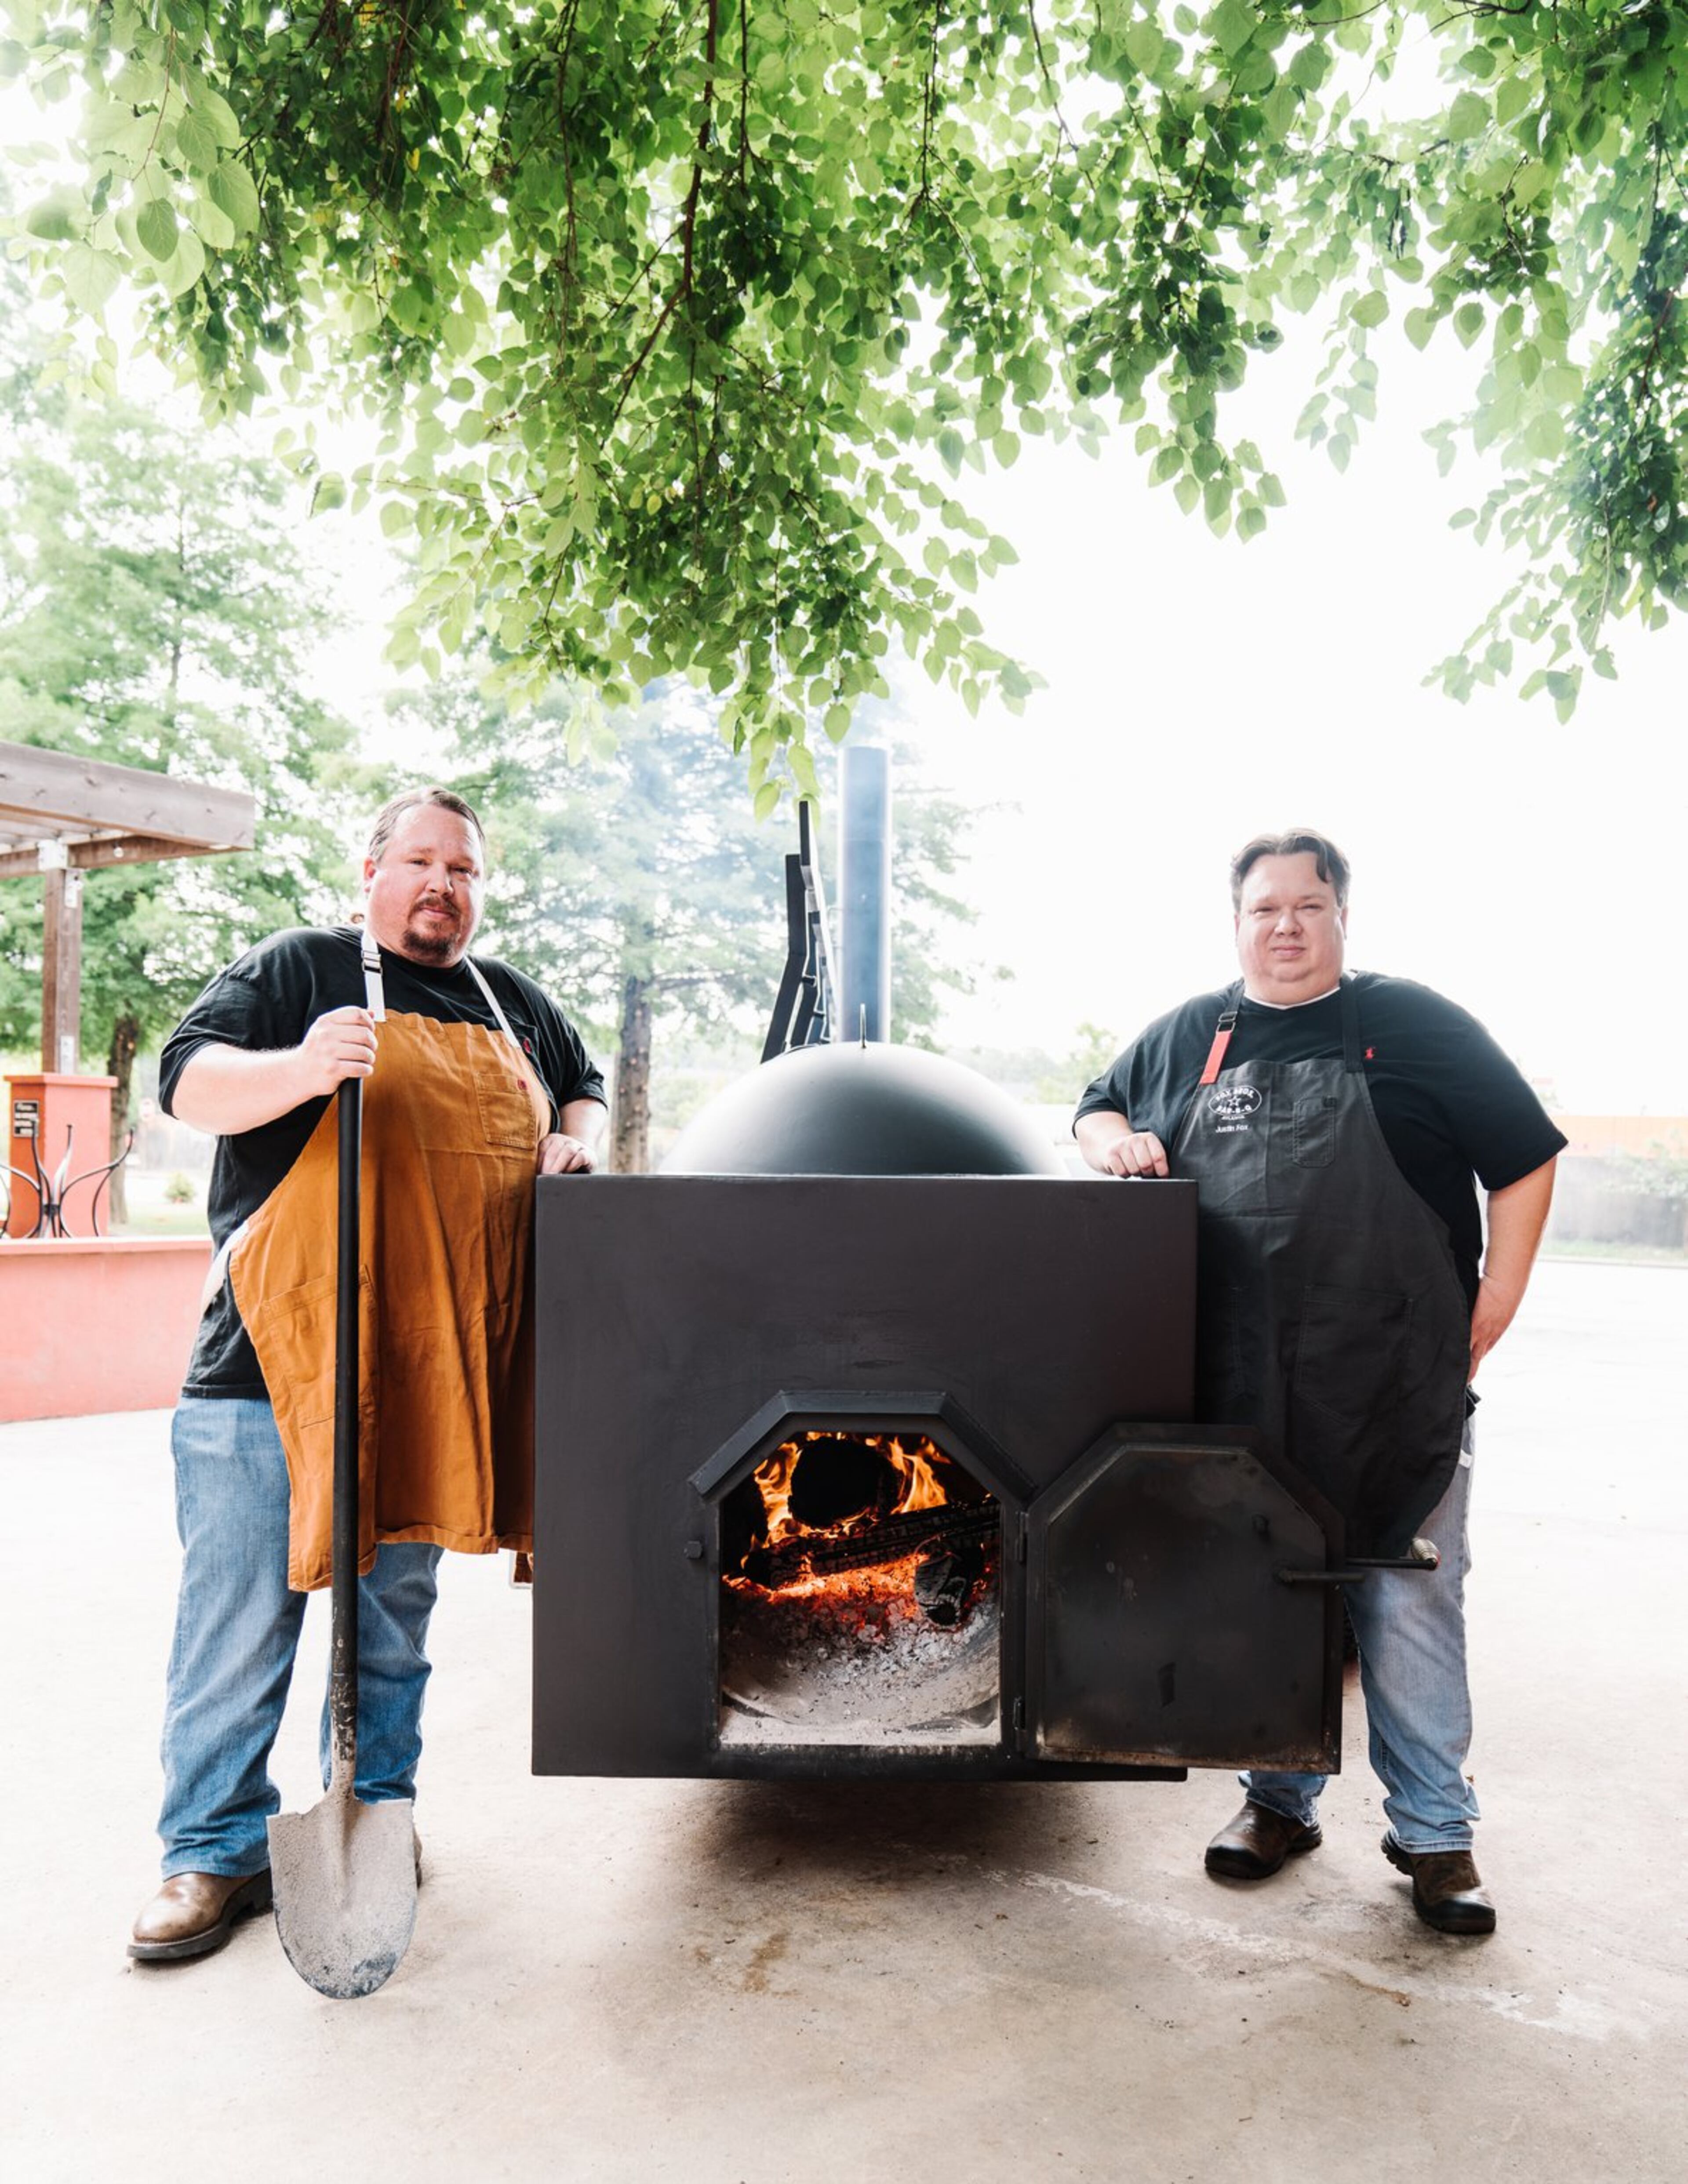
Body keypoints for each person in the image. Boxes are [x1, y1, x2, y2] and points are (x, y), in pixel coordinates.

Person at [130, 786, 606, 1963]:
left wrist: (578, 1134)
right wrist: (300, 1068)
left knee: (394, 1625)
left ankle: (374, 1811)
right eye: (421, 861)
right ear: (372, 869)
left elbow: (583, 1081)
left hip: (427, 1379)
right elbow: (184, 1083)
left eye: (465, 869)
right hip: (264, 1373)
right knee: (239, 1626)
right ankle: (210, 1849)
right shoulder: (301, 967)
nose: (443, 883)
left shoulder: (514, 1004)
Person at [1074, 829, 1562, 1937]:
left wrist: (1500, 1297)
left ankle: (1436, 1834)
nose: (1285, 925)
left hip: (1393, 1377)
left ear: (1343, 916)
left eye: (1308, 904)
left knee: (1407, 1598)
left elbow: (1526, 1158)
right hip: (1243, 1384)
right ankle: (1278, 1803)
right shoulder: (1189, 1037)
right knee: (1266, 1590)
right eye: (1264, 908)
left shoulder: (1418, 1026)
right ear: (1236, 922)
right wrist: (1113, 1143)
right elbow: (1096, 1102)